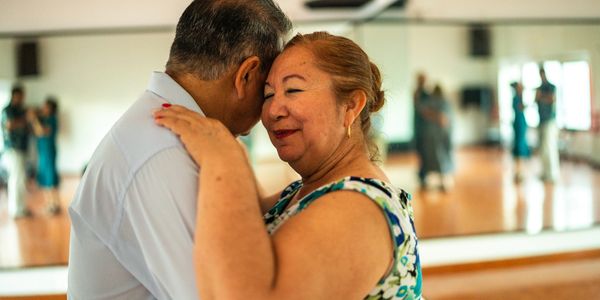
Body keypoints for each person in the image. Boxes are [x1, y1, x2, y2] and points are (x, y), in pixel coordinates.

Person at [154, 32, 422, 300]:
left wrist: (223, 161)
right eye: (268, 95)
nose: (273, 111)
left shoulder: (360, 209)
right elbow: (247, 211)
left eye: (293, 90)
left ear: (351, 105)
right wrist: (227, 147)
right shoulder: (307, 189)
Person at [67, 1, 291, 299]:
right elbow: (220, 293)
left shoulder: (174, 136)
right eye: (268, 89)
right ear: (246, 76)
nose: (273, 107)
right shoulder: (163, 152)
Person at [1, 85, 31, 218]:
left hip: (22, 148)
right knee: (15, 179)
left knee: (20, 179)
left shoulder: (21, 110)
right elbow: (9, 125)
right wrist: (25, 119)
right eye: (21, 96)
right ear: (15, 95)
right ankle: (15, 210)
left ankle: (21, 208)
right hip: (13, 149)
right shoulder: (8, 110)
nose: (22, 98)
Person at [28, 97, 60, 214]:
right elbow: (37, 132)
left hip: (49, 152)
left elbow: (42, 131)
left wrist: (34, 119)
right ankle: (49, 204)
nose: (43, 108)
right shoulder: (43, 118)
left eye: (45, 106)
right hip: (42, 152)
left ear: (51, 108)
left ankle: (54, 205)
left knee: (50, 178)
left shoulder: (52, 119)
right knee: (45, 178)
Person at [421, 84, 454, 190]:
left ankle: (443, 182)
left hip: (437, 135)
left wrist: (433, 115)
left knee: (439, 157)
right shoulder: (443, 103)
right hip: (439, 135)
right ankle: (443, 182)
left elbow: (442, 119)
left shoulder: (439, 103)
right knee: (440, 157)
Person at [535, 67, 559, 182]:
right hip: (541, 120)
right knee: (543, 149)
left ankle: (553, 174)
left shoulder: (551, 87)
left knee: (550, 147)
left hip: (549, 121)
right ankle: (545, 173)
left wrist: (542, 97)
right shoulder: (539, 88)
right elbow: (536, 100)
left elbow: (552, 99)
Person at [510, 82, 530, 182]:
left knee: (521, 146)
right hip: (519, 124)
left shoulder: (519, 98)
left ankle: (520, 172)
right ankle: (519, 172)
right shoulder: (516, 99)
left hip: (521, 123)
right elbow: (519, 108)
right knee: (519, 147)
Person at [413, 72, 429, 187]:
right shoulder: (417, 93)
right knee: (422, 153)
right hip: (420, 128)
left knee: (425, 153)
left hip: (424, 128)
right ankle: (422, 176)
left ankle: (424, 176)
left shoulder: (425, 93)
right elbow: (422, 110)